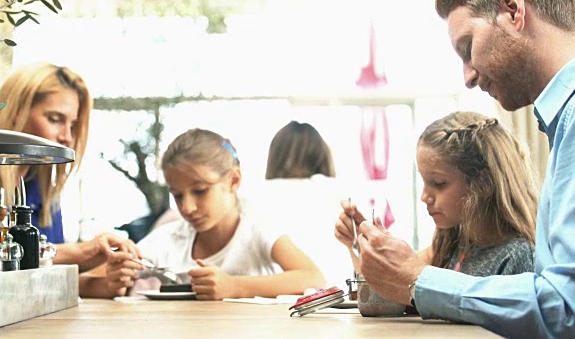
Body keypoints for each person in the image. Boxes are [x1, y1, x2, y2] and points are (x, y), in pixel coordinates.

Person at [348, 0, 575, 337]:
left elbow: (567, 307)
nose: (468, 77)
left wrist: (418, 280)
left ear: (514, 11)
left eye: (468, 48)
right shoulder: (561, 124)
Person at [0, 62, 140, 278]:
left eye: (72, 125)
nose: (67, 137)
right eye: (54, 119)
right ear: (16, 112)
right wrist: (78, 252)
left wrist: (102, 282)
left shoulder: (40, 190)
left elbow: (44, 273)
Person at [105, 128, 326, 299]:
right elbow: (89, 280)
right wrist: (111, 280)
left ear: (234, 180)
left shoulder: (255, 224)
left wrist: (234, 286)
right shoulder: (172, 237)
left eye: (200, 191)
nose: (187, 208)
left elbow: (313, 278)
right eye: (178, 195)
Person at [336, 111, 537, 286]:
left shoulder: (517, 255)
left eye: (439, 183)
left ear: (482, 184)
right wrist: (361, 242)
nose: (424, 197)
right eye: (423, 182)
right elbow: (390, 285)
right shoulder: (453, 244)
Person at [245, 120, 353, 289]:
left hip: (277, 297)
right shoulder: (341, 193)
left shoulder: (255, 195)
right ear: (322, 156)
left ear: (274, 157)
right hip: (340, 297)